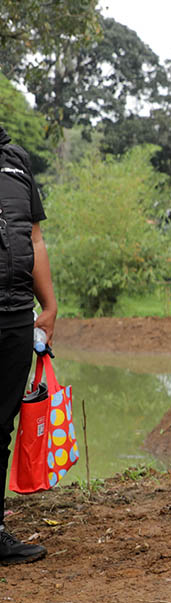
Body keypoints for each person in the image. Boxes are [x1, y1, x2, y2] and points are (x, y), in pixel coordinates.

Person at [0, 125, 57, 566]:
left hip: (16, 314)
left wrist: (49, 304)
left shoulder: (16, 160)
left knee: (1, 426)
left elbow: (34, 237)